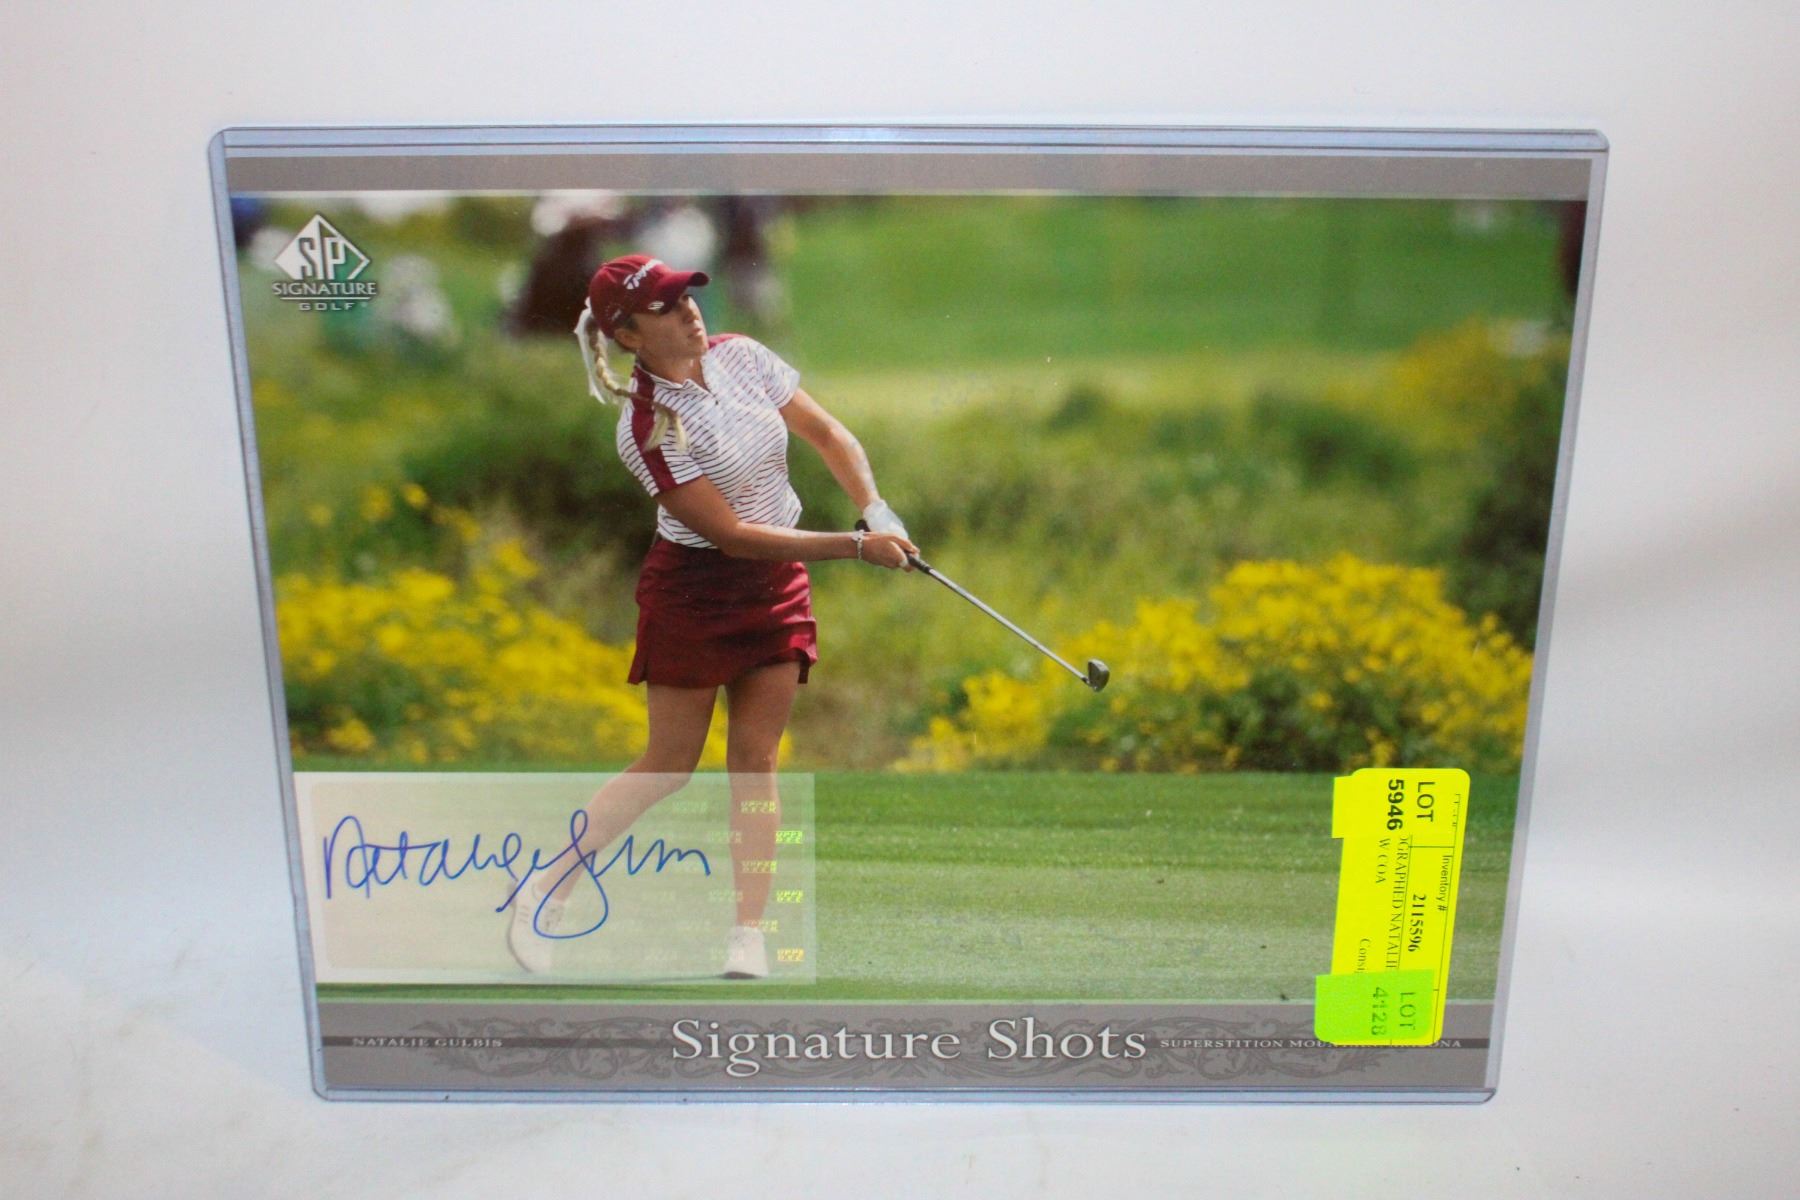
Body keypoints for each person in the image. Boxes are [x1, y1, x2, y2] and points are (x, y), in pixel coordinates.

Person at [506, 254, 917, 979]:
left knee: (756, 762)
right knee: (669, 766)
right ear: (628, 335)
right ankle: (545, 890)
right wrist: (857, 547)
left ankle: (747, 935)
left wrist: (876, 510)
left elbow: (828, 435)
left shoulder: (744, 357)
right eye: (664, 307)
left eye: (686, 296)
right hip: (695, 592)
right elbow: (731, 536)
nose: (689, 310)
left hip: (776, 584)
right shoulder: (644, 425)